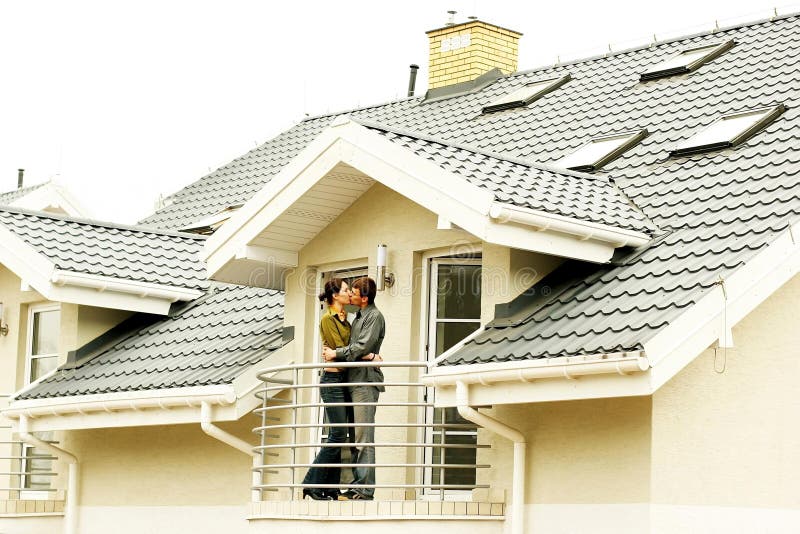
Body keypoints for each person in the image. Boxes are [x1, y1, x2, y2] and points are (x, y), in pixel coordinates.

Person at [322, 277, 385, 501]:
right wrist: (369, 355)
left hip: (365, 383)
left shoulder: (374, 316)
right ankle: (357, 485)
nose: (350, 295)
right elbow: (359, 349)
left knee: (363, 436)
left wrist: (338, 354)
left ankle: (365, 490)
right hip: (351, 380)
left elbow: (360, 346)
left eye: (354, 293)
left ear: (364, 298)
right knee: (353, 437)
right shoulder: (355, 317)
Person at [301, 278, 352, 501]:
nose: (350, 293)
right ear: (334, 295)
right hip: (332, 381)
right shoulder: (327, 319)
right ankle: (311, 484)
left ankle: (330, 488)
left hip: (344, 379)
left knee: (338, 435)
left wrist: (348, 352)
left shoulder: (346, 319)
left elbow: (344, 351)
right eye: (346, 290)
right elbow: (340, 350)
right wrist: (356, 352)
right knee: (338, 434)